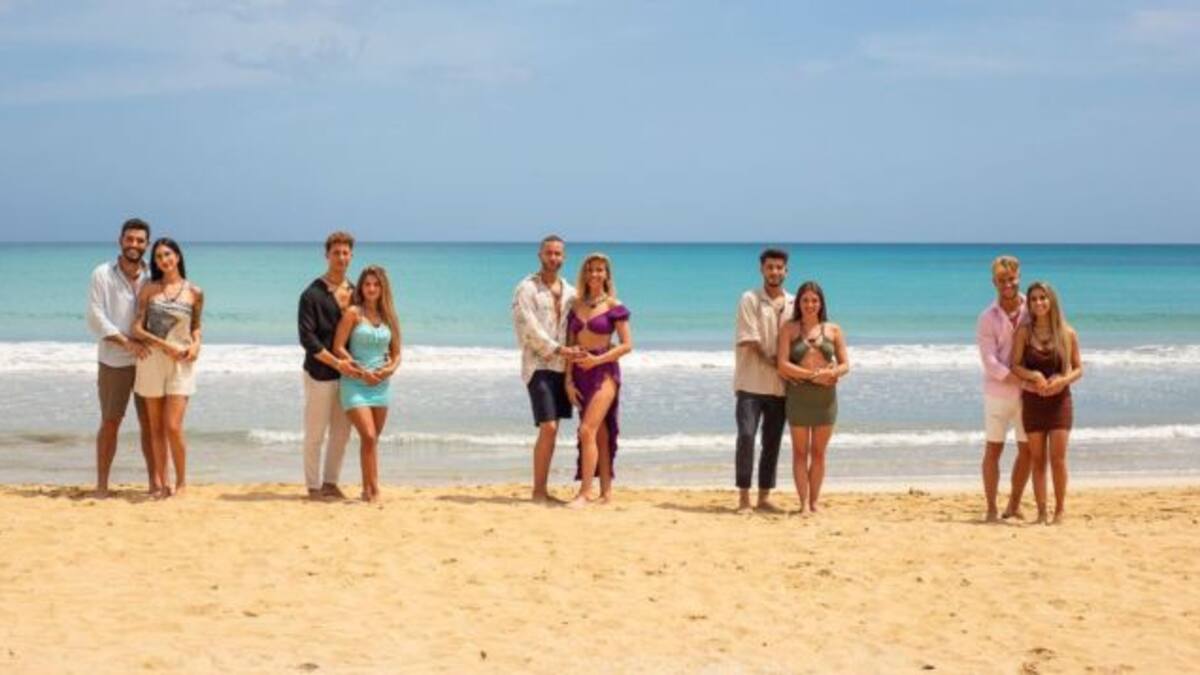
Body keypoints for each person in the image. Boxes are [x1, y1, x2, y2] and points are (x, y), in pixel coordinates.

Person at [85, 218, 155, 497]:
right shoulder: (102, 274)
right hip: (114, 361)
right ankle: (102, 485)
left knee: (150, 424)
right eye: (129, 239)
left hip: (149, 360)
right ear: (120, 241)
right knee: (111, 421)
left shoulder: (153, 275)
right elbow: (95, 317)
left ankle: (154, 484)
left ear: (147, 244)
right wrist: (128, 343)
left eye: (140, 240)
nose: (134, 244)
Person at [511, 235, 582, 503]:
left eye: (558, 254)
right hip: (538, 364)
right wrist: (558, 349)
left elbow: (579, 326)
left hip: (563, 368)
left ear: (564, 257)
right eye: (549, 253)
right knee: (549, 427)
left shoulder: (571, 292)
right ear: (540, 255)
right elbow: (527, 328)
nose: (554, 258)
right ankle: (538, 491)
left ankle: (543, 489)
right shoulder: (526, 288)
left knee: (553, 430)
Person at [132, 238, 204, 498]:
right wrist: (165, 345)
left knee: (173, 426)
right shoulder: (149, 289)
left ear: (178, 256)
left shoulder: (194, 292)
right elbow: (137, 328)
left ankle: (182, 482)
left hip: (181, 363)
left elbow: (196, 326)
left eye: (168, 254)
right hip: (152, 361)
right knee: (156, 427)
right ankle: (163, 483)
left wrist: (196, 346)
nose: (164, 260)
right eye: (159, 256)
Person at [298, 231, 364, 500]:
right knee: (315, 432)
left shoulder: (356, 293)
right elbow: (308, 339)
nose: (341, 257)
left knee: (341, 433)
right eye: (336, 252)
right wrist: (337, 363)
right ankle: (313, 486)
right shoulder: (311, 294)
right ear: (327, 255)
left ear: (351, 256)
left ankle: (330, 482)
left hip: (348, 376)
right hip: (319, 373)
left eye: (345, 253)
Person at [564, 252, 633, 509]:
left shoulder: (614, 306)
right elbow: (570, 345)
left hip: (605, 373)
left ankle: (584, 493)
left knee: (586, 431)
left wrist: (597, 360)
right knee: (600, 434)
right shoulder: (575, 305)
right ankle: (606, 494)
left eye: (600, 270)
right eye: (590, 269)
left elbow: (626, 345)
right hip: (579, 374)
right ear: (584, 273)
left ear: (606, 275)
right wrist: (568, 381)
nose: (594, 274)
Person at [1011, 282, 1083, 525]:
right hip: (1033, 401)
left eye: (1043, 297)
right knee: (1038, 460)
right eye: (1033, 299)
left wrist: (1062, 380)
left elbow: (1079, 369)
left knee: (1058, 459)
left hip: (1060, 403)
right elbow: (1015, 365)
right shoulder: (1024, 332)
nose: (1038, 302)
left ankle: (1060, 510)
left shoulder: (1067, 333)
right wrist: (1033, 376)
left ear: (1051, 300)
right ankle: (1042, 512)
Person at [776, 281, 849, 513]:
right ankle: (803, 504)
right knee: (800, 453)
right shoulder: (789, 329)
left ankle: (815, 501)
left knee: (818, 453)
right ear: (798, 303)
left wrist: (833, 373)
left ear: (821, 303)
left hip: (825, 399)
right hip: (798, 397)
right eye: (805, 300)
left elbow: (845, 364)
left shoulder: (833, 330)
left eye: (814, 300)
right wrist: (813, 375)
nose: (810, 305)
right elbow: (782, 364)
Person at [333, 265, 402, 503]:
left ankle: (369, 490)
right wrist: (361, 371)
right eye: (367, 284)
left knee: (372, 440)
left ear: (383, 288)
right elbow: (338, 347)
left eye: (376, 284)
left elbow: (397, 354)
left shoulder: (389, 317)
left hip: (381, 385)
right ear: (361, 287)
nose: (371, 288)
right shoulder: (353, 313)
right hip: (355, 383)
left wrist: (389, 370)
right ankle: (373, 491)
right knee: (369, 436)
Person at [733, 248, 793, 513]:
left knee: (772, 441)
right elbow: (750, 339)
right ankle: (744, 497)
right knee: (746, 437)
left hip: (780, 387)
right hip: (750, 383)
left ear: (786, 271)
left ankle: (764, 496)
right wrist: (776, 362)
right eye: (770, 267)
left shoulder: (793, 303)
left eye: (779, 267)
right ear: (762, 270)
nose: (774, 272)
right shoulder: (750, 299)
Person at [976, 255, 1033, 523]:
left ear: (1018, 277)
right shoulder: (987, 317)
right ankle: (990, 508)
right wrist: (1019, 380)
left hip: (1028, 396)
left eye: (1011, 279)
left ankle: (1013, 505)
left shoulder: (1033, 309)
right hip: (997, 394)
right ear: (994, 282)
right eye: (1001, 280)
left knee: (1027, 451)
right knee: (993, 450)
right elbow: (990, 361)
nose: (1007, 284)